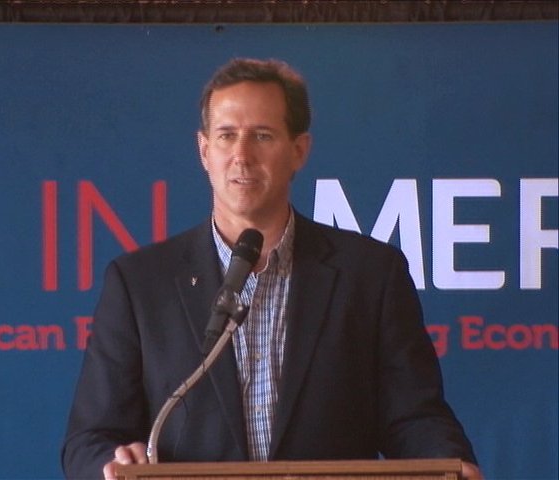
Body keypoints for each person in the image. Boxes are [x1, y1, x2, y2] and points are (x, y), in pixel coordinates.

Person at [62, 58, 483, 480]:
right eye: (226, 136)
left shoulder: (370, 275)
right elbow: (90, 439)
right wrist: (111, 464)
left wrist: (451, 462)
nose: (241, 156)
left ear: (299, 150)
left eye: (262, 136)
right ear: (204, 150)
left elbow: (413, 417)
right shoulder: (139, 284)